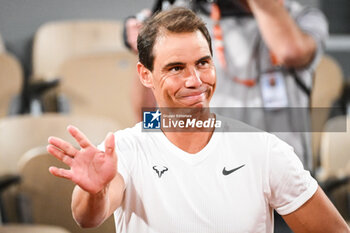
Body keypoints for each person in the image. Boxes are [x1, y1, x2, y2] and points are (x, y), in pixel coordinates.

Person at [47, 7, 348, 233]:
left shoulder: (265, 150)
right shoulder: (125, 148)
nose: (194, 80)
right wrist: (94, 192)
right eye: (176, 68)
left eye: (203, 63)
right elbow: (88, 217)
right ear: (145, 75)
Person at [125, 0, 329, 173]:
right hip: (207, 177)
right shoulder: (185, 16)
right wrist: (146, 51)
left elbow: (290, 51)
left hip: (280, 179)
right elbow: (149, 117)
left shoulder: (301, 17)